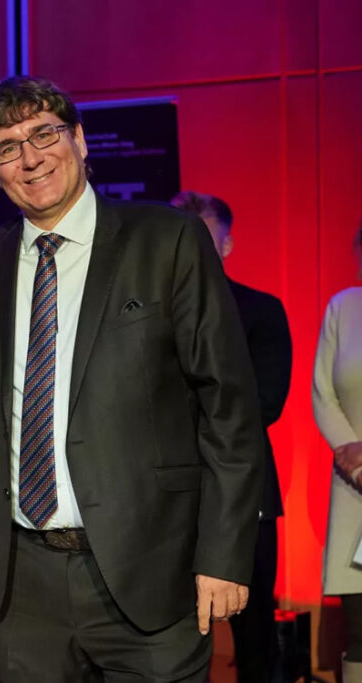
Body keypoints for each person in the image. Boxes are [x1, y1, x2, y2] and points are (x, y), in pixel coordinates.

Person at [0, 75, 264, 680]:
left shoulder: (168, 240)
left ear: (80, 140)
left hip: (151, 573)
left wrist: (224, 554)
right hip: (24, 588)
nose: (31, 158)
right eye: (8, 148)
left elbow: (229, 408)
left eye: (44, 134)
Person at [172, 190, 292, 682]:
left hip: (245, 495)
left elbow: (265, 404)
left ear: (227, 244)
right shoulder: (151, 314)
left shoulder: (260, 310)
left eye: (206, 238)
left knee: (255, 636)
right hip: (169, 499)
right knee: (171, 641)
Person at [313, 219, 362, 683]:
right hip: (355, 486)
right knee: (361, 634)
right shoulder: (343, 307)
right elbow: (323, 393)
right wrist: (356, 457)